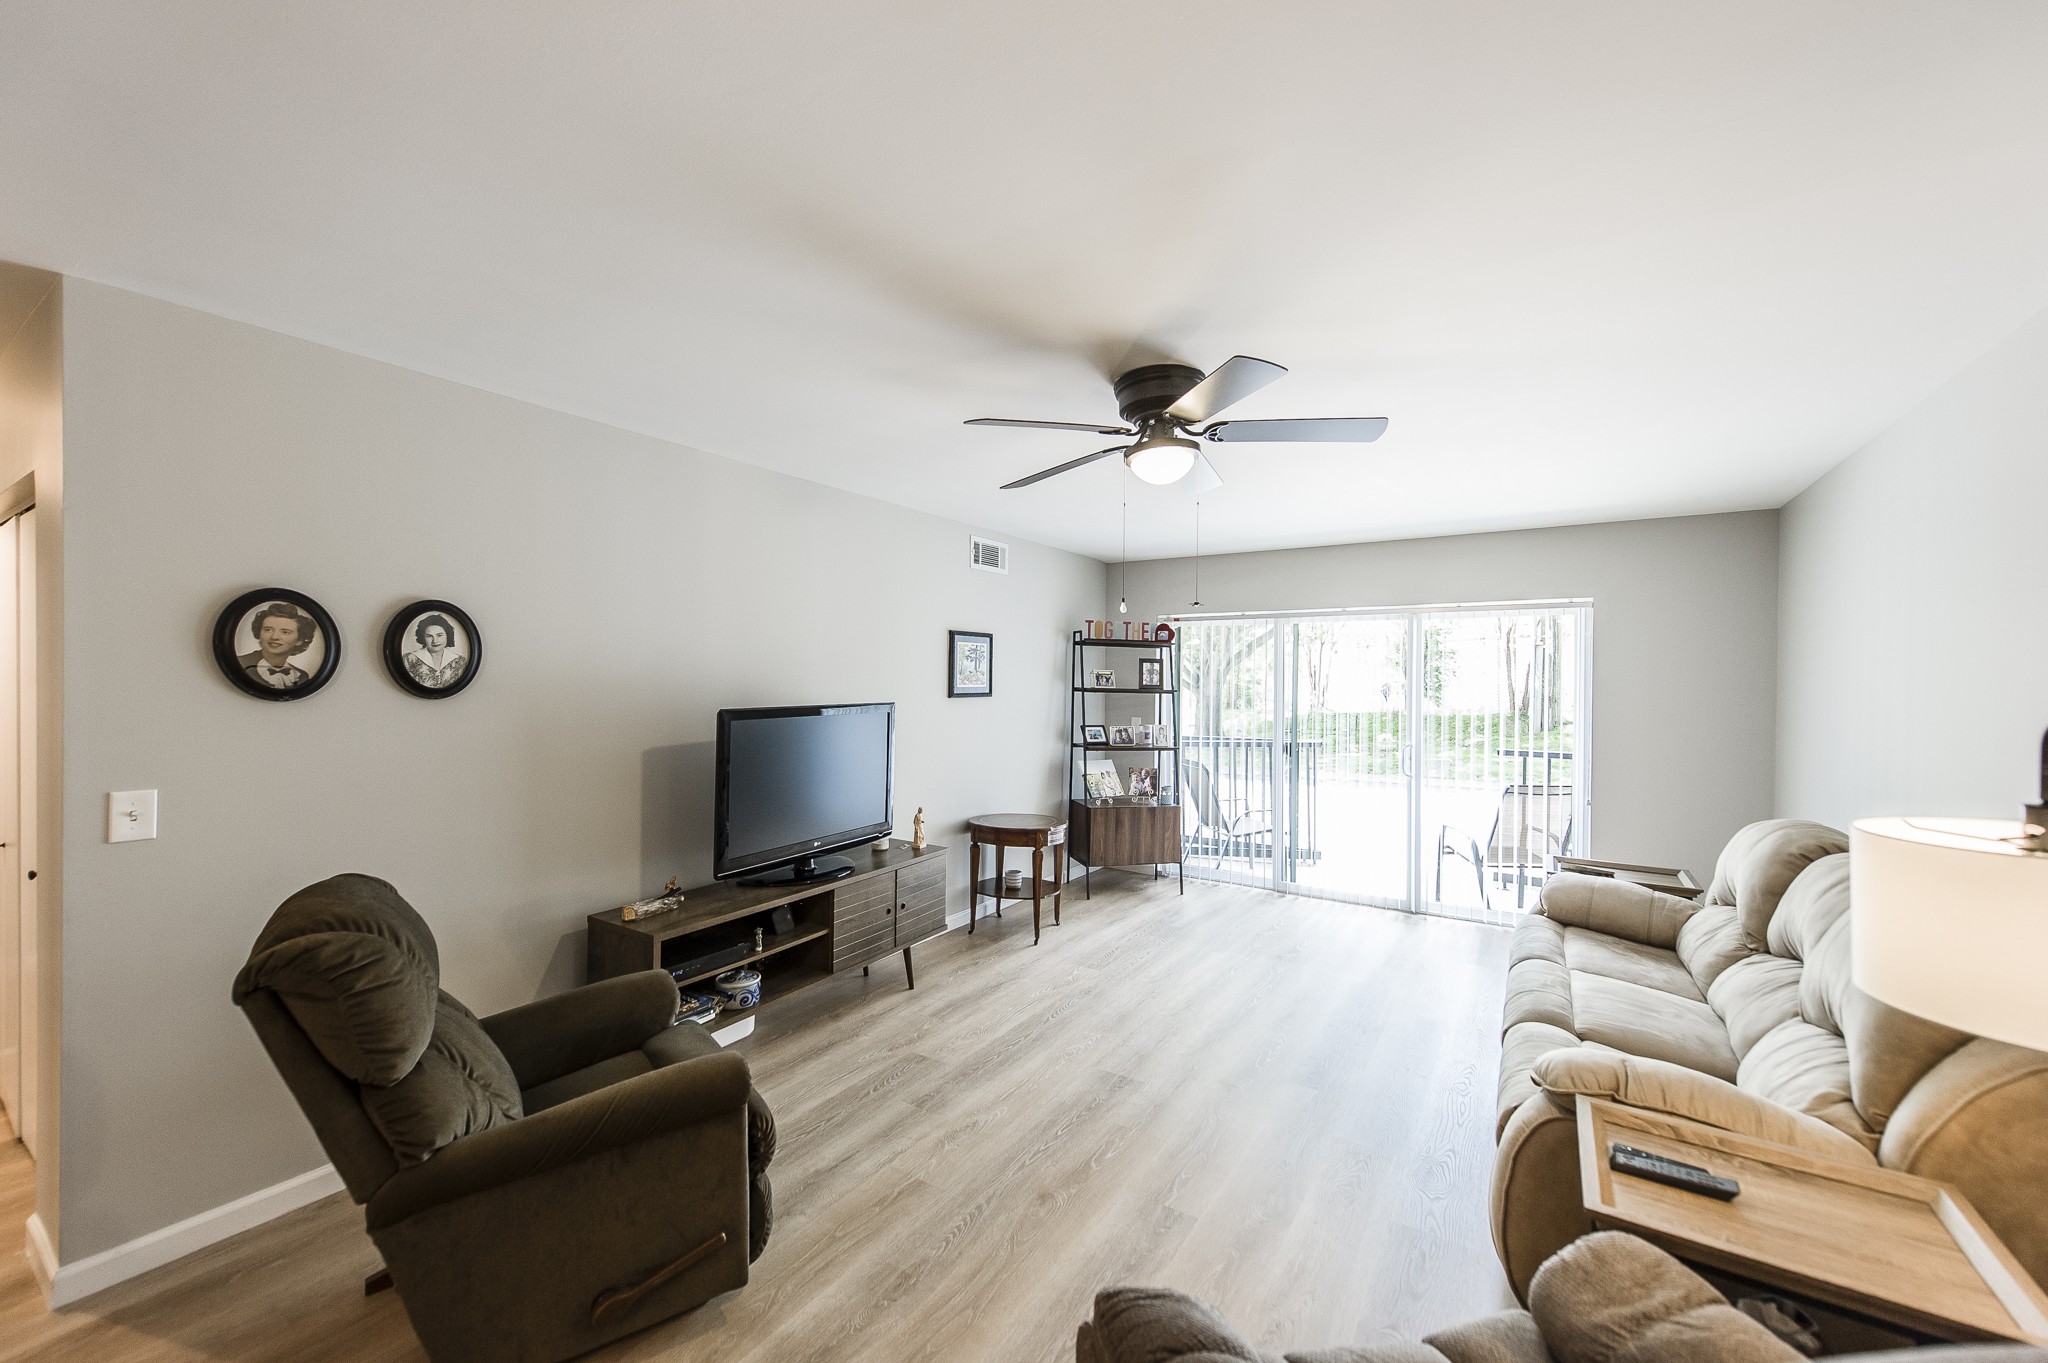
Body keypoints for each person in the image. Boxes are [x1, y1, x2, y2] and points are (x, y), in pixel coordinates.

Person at [238, 602, 319, 689]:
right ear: (259, 633)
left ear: (299, 640)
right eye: (268, 630)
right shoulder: (240, 663)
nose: (274, 637)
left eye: (285, 632)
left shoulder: (301, 676)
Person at [404, 613, 468, 689]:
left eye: (439, 635)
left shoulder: (460, 661)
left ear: (447, 635)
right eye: (429, 636)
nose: (435, 641)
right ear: (423, 638)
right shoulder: (409, 659)